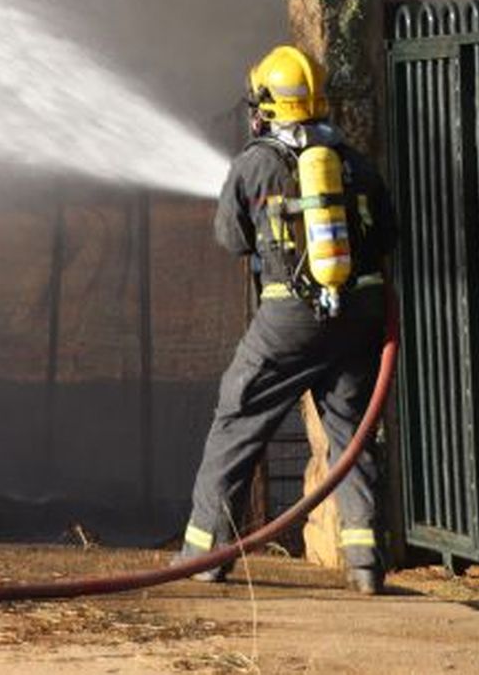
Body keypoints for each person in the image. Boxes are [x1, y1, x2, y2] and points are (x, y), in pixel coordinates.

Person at [177, 45, 398, 595]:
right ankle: (367, 564)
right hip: (360, 317)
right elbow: (388, 234)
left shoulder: (256, 162)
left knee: (237, 421)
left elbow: (232, 239)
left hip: (289, 320)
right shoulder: (353, 160)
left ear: (270, 106)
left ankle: (204, 555)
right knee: (350, 437)